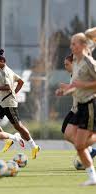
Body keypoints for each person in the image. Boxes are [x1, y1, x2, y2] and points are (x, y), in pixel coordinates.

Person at [0, 49, 40, 159]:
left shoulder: (5, 72)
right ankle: (8, 140)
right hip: (4, 101)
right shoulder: (6, 70)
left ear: (2, 61)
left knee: (18, 126)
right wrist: (15, 92)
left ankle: (34, 146)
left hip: (9, 103)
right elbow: (21, 81)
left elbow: (8, 87)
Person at [63, 32, 96, 186]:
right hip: (80, 106)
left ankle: (92, 177)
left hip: (90, 105)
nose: (71, 46)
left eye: (74, 43)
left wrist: (81, 86)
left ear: (83, 45)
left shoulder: (89, 62)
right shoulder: (76, 61)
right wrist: (66, 89)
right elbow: (76, 85)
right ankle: (93, 178)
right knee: (73, 138)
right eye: (71, 43)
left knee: (80, 145)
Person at [56, 54, 96, 161]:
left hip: (85, 106)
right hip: (76, 108)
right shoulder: (74, 75)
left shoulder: (84, 70)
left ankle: (88, 150)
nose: (65, 67)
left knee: (70, 134)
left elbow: (81, 88)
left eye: (67, 64)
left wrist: (65, 88)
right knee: (66, 130)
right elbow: (76, 89)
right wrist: (65, 90)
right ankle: (89, 150)